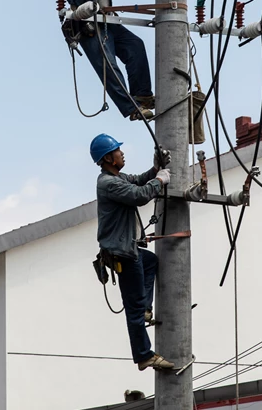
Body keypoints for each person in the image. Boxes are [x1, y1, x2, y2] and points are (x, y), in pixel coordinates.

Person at [91, 133, 175, 371]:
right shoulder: (108, 183)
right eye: (117, 151)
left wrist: (155, 169)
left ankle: (146, 309)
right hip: (122, 254)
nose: (122, 153)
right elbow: (139, 195)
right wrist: (159, 181)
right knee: (134, 307)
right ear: (108, 157)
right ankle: (143, 354)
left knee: (150, 262)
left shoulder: (118, 177)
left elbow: (138, 181)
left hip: (127, 250)